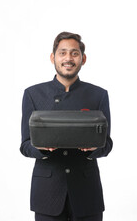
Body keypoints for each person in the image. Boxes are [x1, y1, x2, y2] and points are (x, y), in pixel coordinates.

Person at [20, 32, 113, 221]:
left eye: (74, 53)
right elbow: (25, 145)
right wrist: (41, 148)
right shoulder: (33, 94)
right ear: (53, 57)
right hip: (47, 193)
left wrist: (94, 149)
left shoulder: (98, 95)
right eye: (62, 53)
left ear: (83, 59)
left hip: (87, 193)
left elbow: (107, 144)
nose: (68, 58)